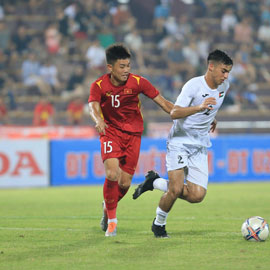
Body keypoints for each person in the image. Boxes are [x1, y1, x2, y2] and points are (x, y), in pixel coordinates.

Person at [132, 49, 233, 238]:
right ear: (211, 67)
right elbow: (174, 113)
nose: (226, 76)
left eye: (228, 71)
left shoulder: (223, 86)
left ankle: (154, 182)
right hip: (180, 141)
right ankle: (158, 224)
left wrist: (211, 117)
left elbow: (211, 107)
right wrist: (199, 108)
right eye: (223, 71)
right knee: (176, 189)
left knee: (197, 196)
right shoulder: (193, 86)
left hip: (200, 144)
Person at [88, 44, 173, 237]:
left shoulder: (138, 82)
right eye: (122, 66)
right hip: (110, 132)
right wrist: (98, 119)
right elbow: (92, 106)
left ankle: (106, 208)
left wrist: (189, 115)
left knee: (125, 184)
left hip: (133, 136)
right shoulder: (99, 85)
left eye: (128, 66)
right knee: (111, 174)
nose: (127, 70)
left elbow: (164, 103)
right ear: (110, 67)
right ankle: (112, 222)